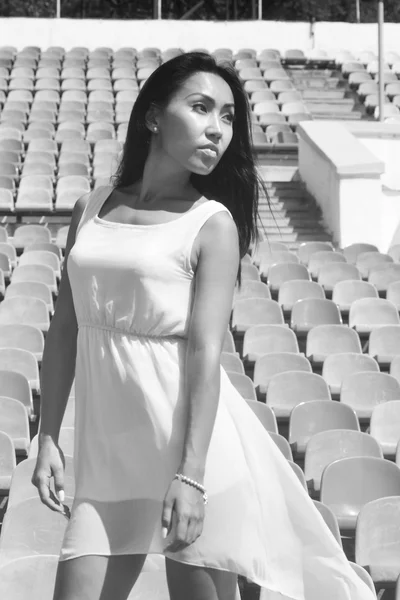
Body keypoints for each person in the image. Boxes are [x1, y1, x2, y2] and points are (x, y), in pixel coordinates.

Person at [31, 51, 375, 600]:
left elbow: (203, 353)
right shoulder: (90, 206)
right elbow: (65, 329)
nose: (217, 128)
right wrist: (48, 436)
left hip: (192, 457)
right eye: (200, 107)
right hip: (106, 461)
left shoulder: (211, 225)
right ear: (153, 117)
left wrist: (190, 476)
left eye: (228, 116)